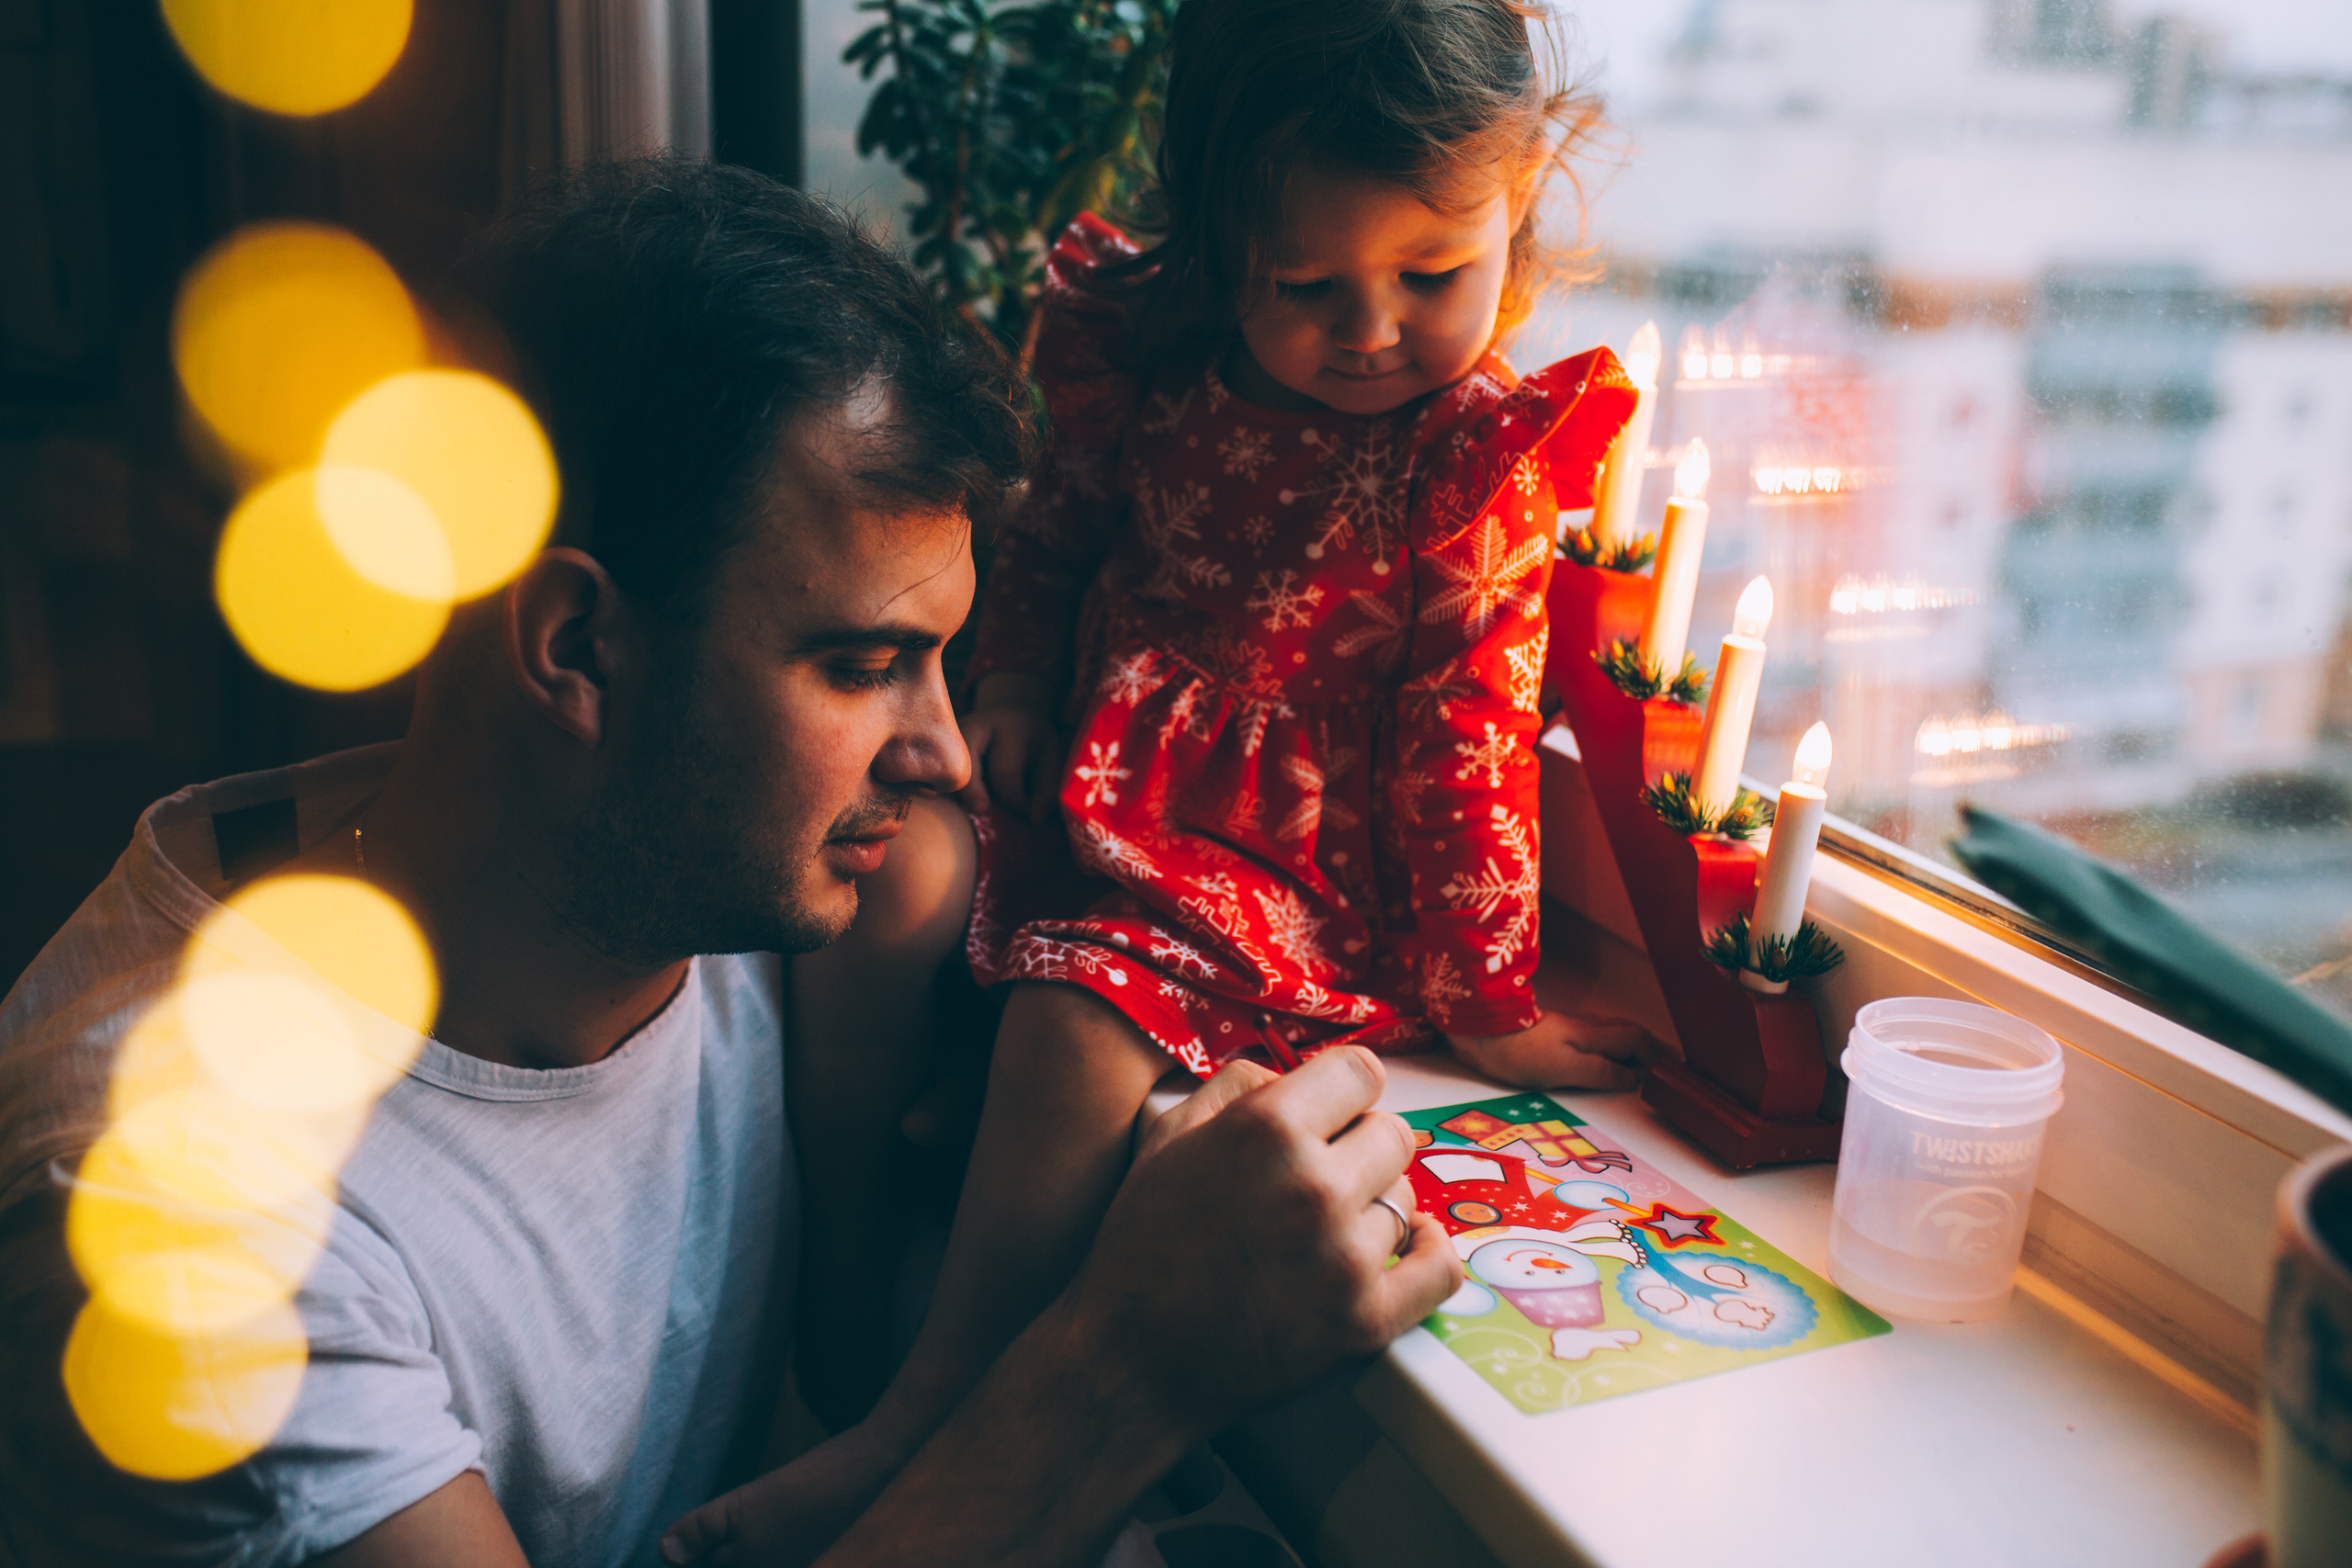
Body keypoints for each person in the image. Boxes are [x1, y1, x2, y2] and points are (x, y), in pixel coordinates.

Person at [0, 159, 1459, 1568]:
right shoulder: (192, 1240)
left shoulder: (681, 875)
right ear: (577, 648)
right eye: (865, 667)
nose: (945, 752)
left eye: (941, 664)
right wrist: (1126, 1369)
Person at [666, 0, 1656, 1559]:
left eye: (1432, 275)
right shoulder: (1144, 349)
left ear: (1517, 198)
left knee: (1081, 1010)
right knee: (900, 872)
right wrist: (1007, 681)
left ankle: (921, 1416)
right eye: (1307, 284)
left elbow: (1468, 737)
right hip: (1084, 771)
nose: (1373, 327)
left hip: (1276, 866)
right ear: (1217, 240)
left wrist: (1484, 996)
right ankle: (832, 1265)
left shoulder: (1470, 461)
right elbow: (1057, 529)